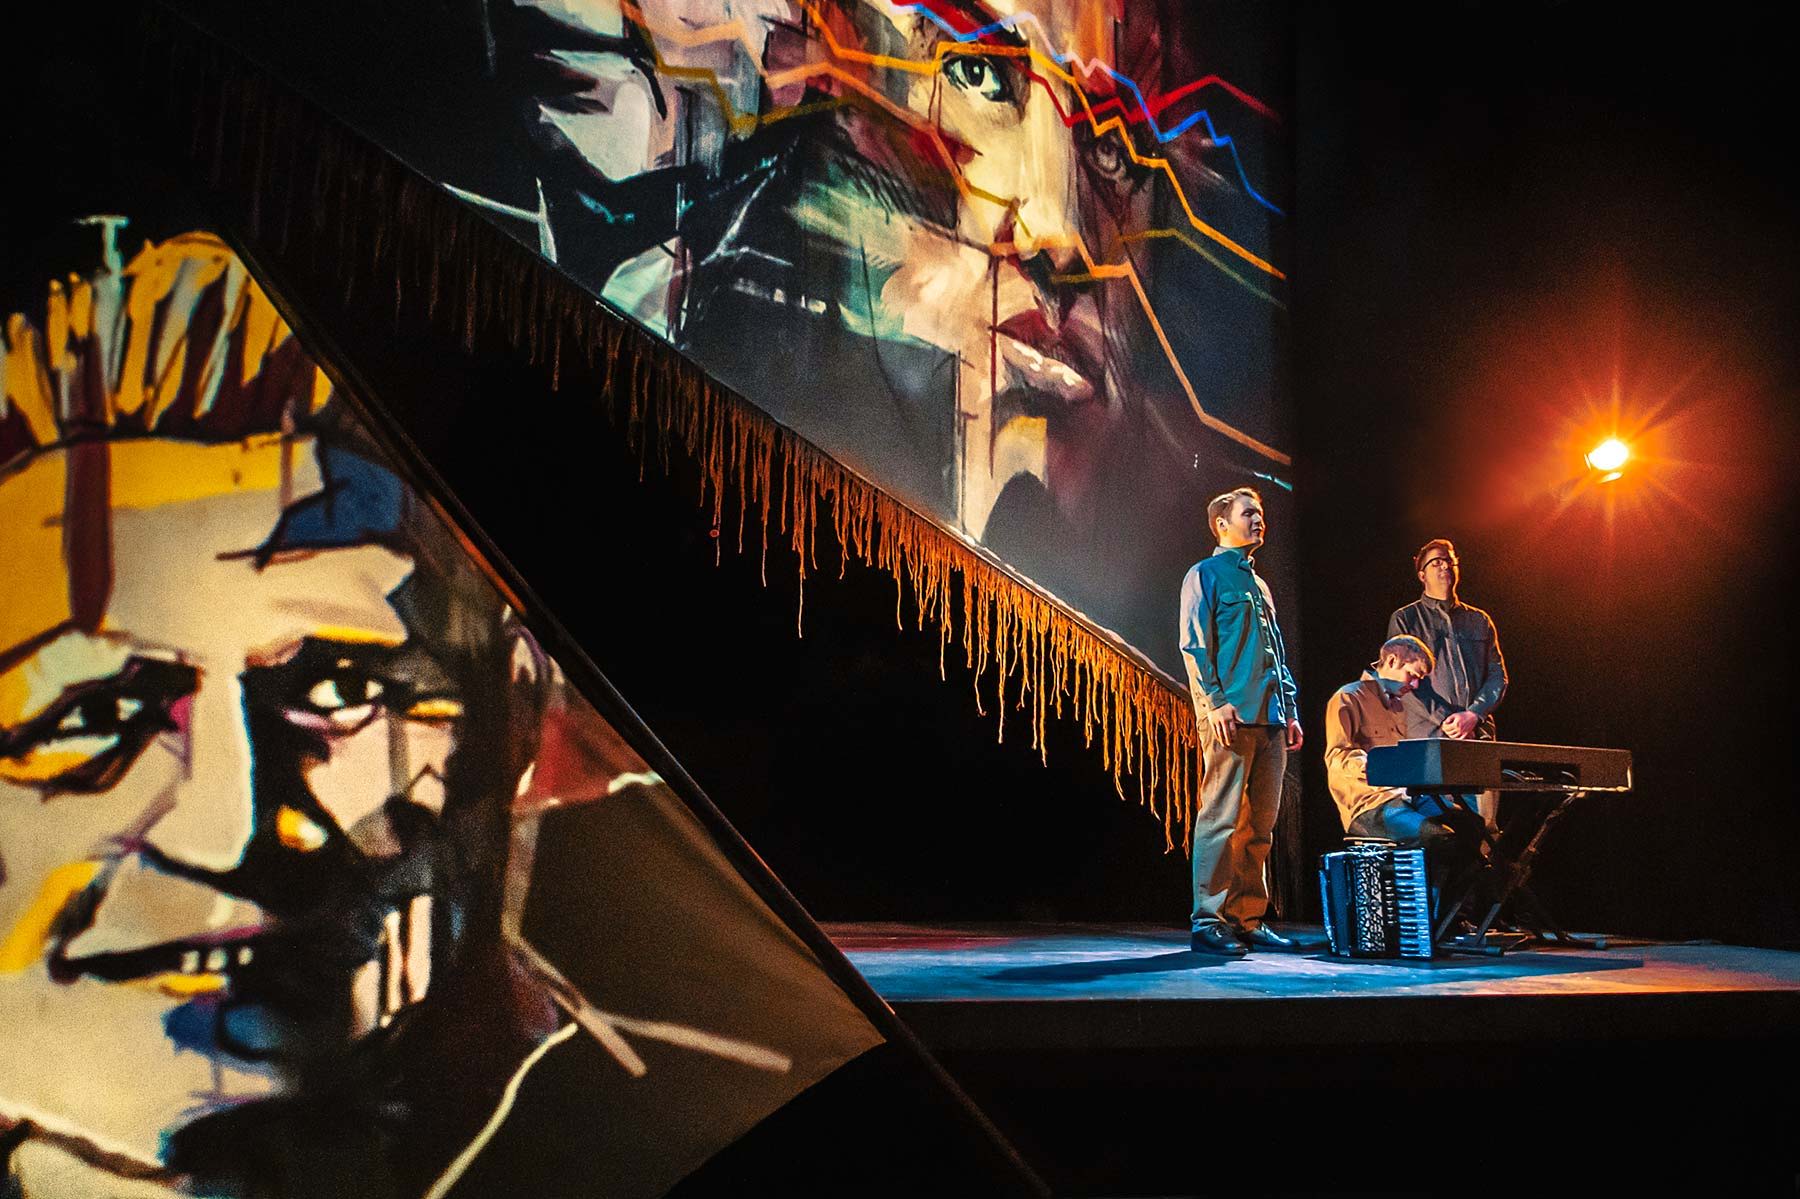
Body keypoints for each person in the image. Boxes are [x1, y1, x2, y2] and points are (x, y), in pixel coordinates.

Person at [1177, 487, 1302, 956]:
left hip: (1270, 719)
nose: (1258, 519)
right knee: (1220, 818)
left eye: (1261, 513)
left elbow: (1276, 655)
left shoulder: (1260, 584)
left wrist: (1289, 710)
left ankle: (1246, 918)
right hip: (1231, 716)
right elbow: (1194, 644)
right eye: (1249, 513)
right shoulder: (1205, 574)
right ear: (1221, 523)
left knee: (1260, 827)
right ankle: (1207, 920)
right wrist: (1215, 702)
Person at [1387, 538, 1509, 823]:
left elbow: (1497, 675)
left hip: (1477, 741)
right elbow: (1402, 681)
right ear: (1422, 574)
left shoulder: (1479, 620)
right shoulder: (1406, 619)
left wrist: (1473, 715)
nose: (1445, 566)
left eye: (1450, 561)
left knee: (1484, 831)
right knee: (1441, 834)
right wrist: (1447, 720)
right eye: (1436, 562)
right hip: (1431, 742)